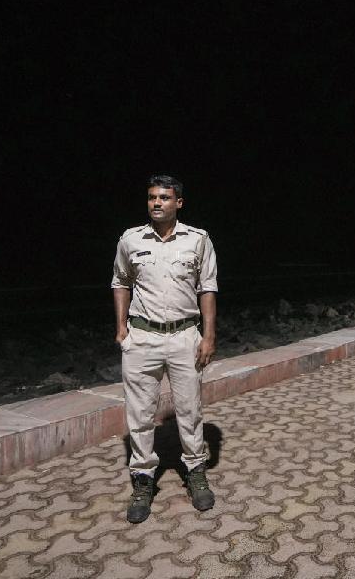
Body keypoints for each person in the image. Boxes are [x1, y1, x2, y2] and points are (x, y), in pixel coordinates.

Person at [112, 174, 219, 524]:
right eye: (152, 197)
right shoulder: (130, 239)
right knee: (140, 414)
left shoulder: (198, 240)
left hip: (184, 336)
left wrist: (208, 336)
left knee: (190, 409)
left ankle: (195, 471)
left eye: (164, 198)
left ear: (178, 203)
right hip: (142, 337)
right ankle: (143, 479)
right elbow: (120, 281)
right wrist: (121, 328)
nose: (157, 203)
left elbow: (207, 288)